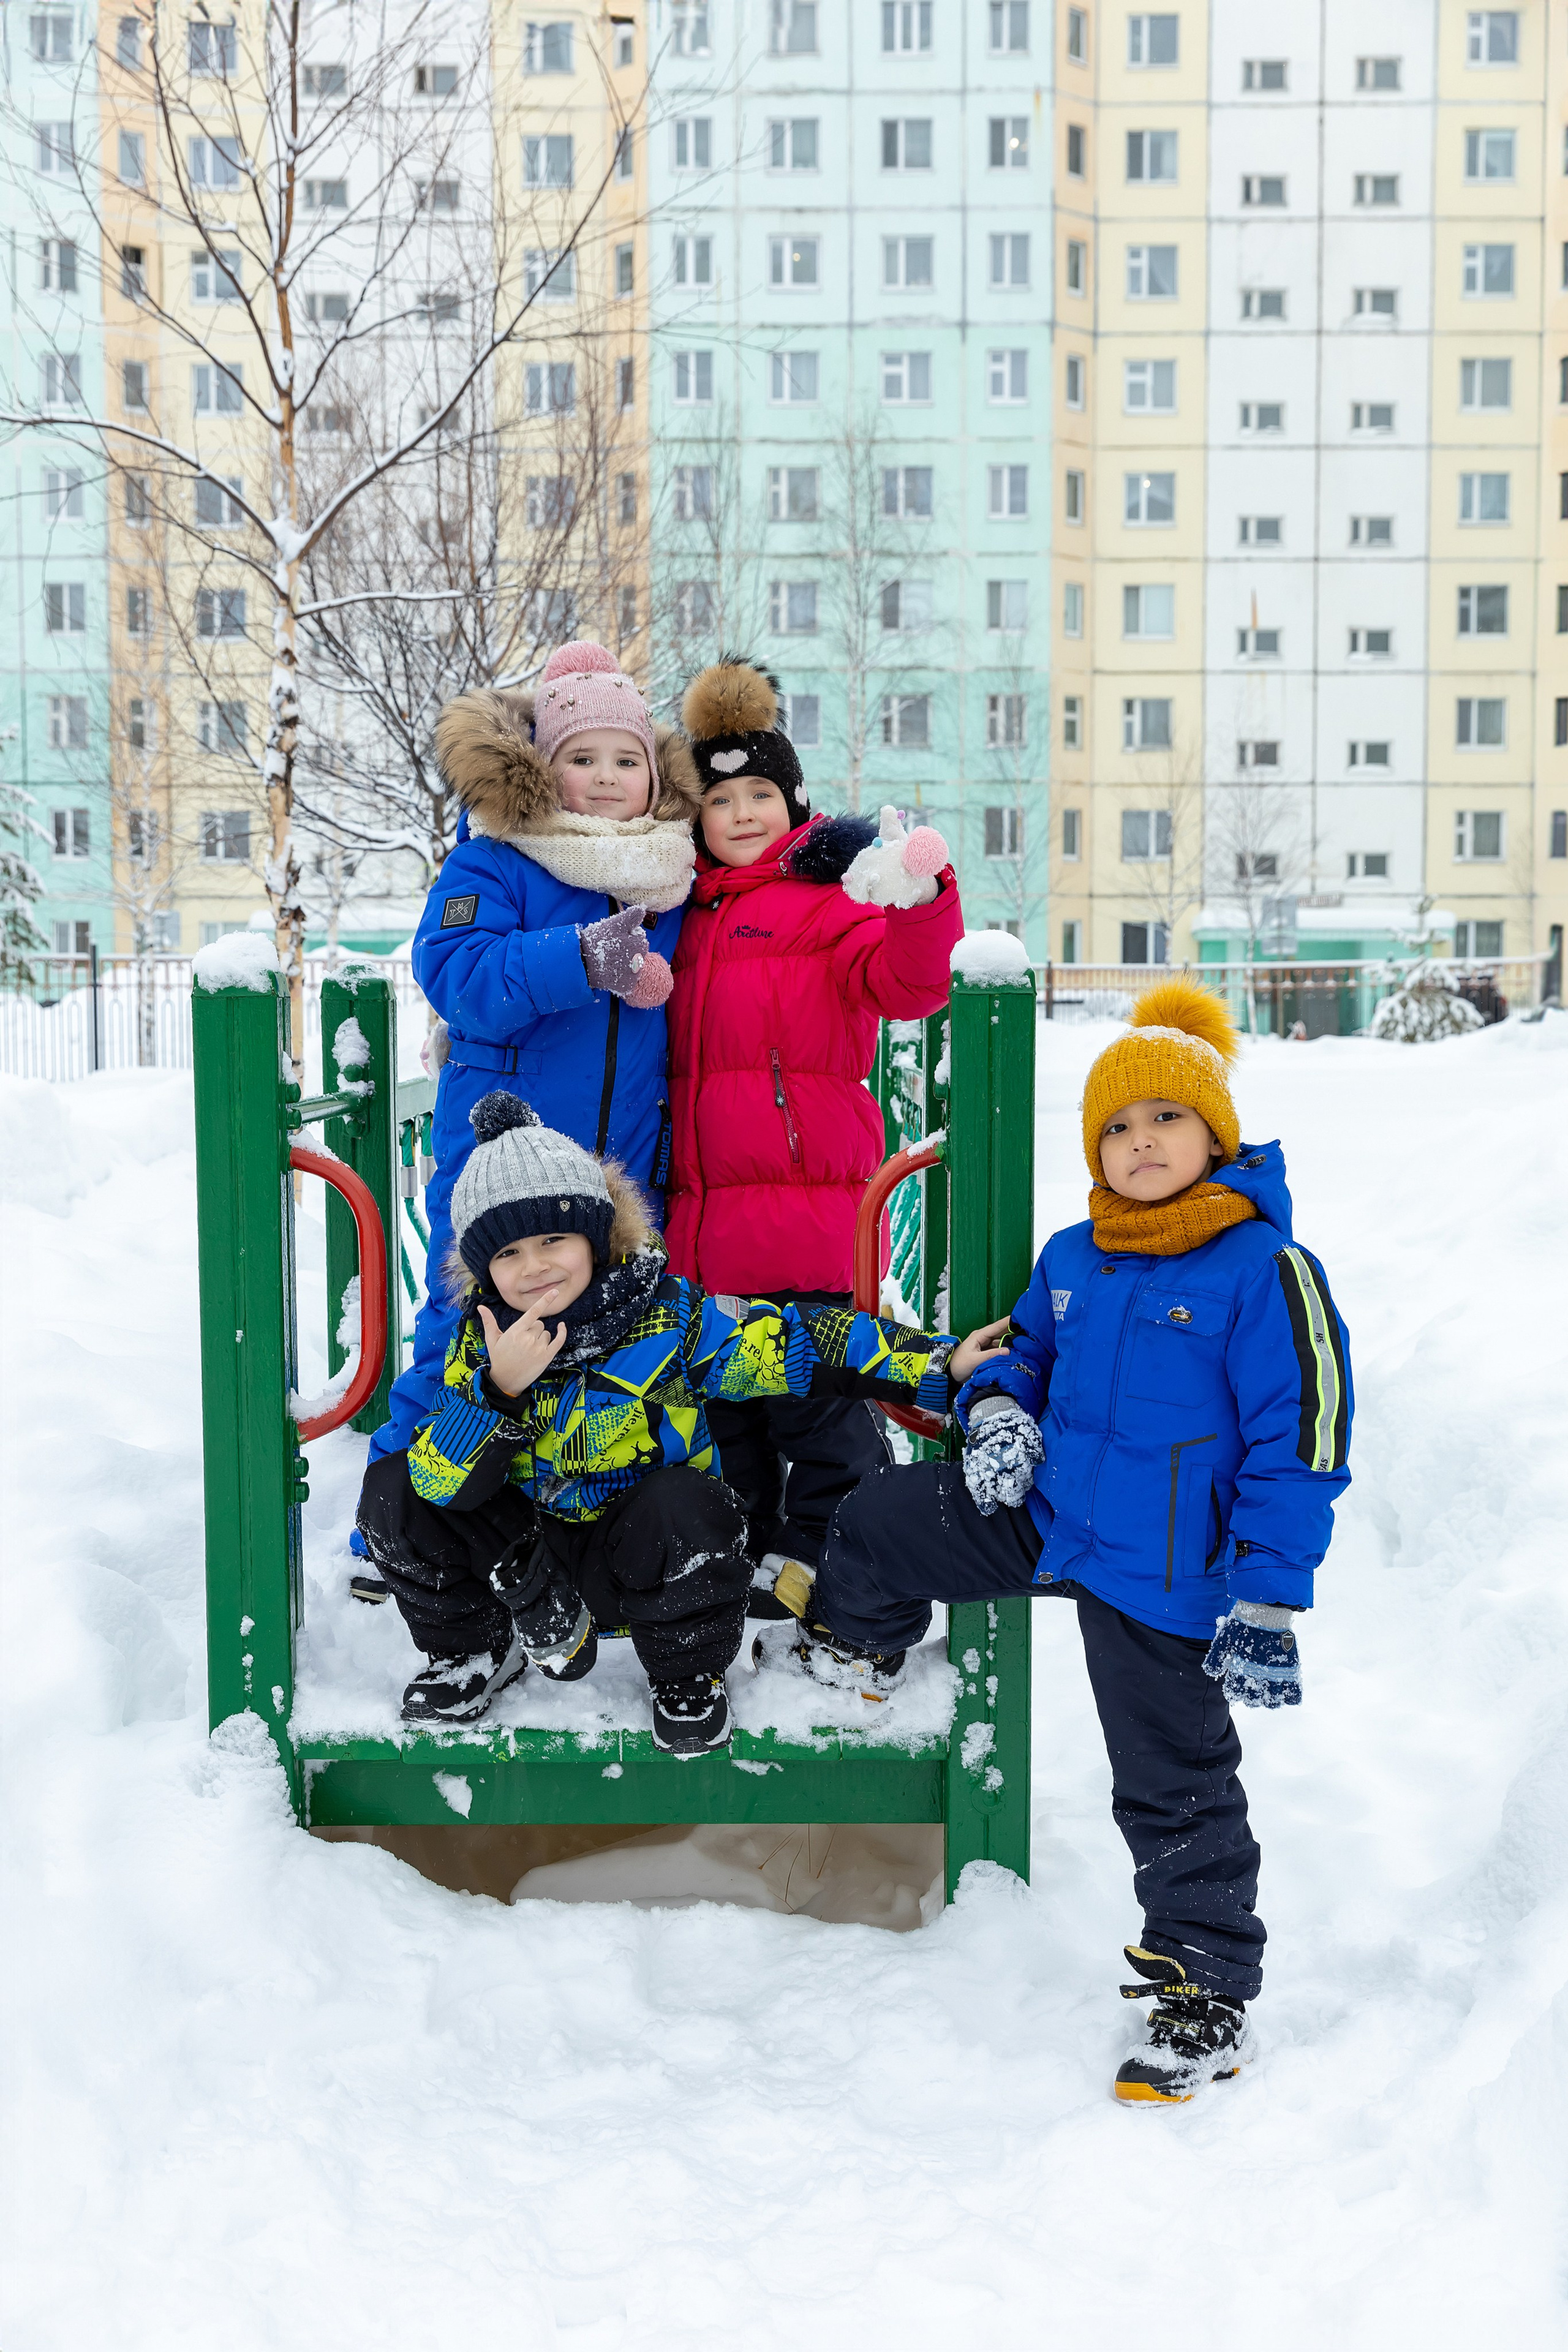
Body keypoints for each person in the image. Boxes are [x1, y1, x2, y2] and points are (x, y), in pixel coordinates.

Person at [782, 978, 1354, 2105]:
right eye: (1119, 1127)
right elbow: (1024, 1353)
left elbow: (1308, 1437)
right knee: (882, 1515)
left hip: (1170, 1578)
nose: (1143, 1143)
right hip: (1052, 1519)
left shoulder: (1261, 1271)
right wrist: (996, 1408)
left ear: (1215, 1134)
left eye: (1167, 1120)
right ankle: (860, 1644)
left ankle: (1206, 1990)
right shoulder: (1077, 1253)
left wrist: (1269, 1597)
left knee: (1172, 1785)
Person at [356, 1093, 1006, 1752]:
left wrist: (941, 1365)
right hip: (533, 1576)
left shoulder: (670, 1320)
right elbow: (441, 1486)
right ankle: (474, 1652)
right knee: (393, 1489)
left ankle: (687, 1673)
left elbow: (800, 1342)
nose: (535, 1267)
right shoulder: (485, 1342)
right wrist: (498, 1392)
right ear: (486, 1270)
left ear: (597, 1236)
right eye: (509, 1254)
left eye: (554, 1238)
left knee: (690, 1501)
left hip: (643, 1561)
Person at [665, 655, 963, 1611]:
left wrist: (924, 901)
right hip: (701, 1231)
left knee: (819, 1403)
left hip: (804, 1219)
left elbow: (908, 984)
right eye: (723, 799)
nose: (744, 812)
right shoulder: (681, 917)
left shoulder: (829, 908)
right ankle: (747, 1550)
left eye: (763, 792)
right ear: (697, 819)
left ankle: (828, 1555)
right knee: (727, 1409)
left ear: (794, 806)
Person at [364, 642, 700, 1473]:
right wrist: (577, 958)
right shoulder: (498, 859)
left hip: (615, 1159)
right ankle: (401, 1488)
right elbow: (454, 972)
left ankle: (552, 1487)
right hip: (504, 1151)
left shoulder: (665, 876)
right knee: (471, 1315)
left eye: (627, 758)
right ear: (545, 771)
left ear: (655, 775)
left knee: (608, 1323)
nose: (608, 775)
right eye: (582, 757)